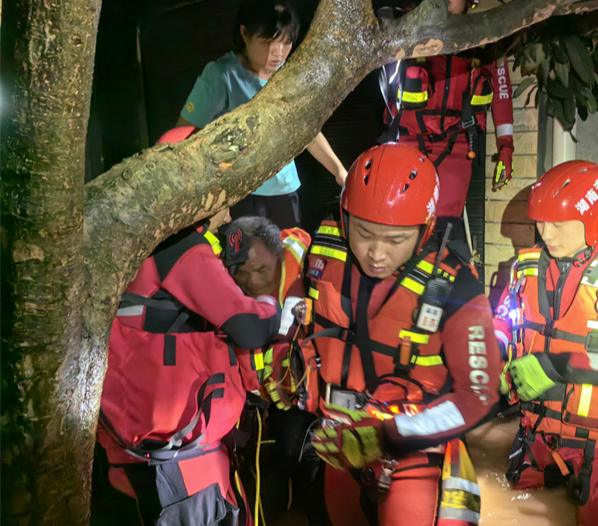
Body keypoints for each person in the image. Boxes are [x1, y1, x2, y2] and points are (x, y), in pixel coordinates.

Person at [292, 143, 500, 526]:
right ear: (344, 216)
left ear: (425, 231)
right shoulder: (322, 250)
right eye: (365, 233)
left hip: (413, 452)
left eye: (395, 240)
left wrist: (388, 435)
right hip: (337, 444)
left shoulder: (455, 286)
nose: (376, 254)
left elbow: (478, 394)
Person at [93, 130, 282, 526]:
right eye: (223, 199)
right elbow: (250, 329)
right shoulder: (180, 246)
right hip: (182, 465)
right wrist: (271, 299)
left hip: (132, 451)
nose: (227, 216)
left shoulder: (128, 237)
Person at [493, 161, 598, 526]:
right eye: (540, 222)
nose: (546, 233)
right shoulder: (523, 268)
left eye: (558, 224)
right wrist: (493, 360)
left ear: (594, 219)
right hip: (536, 435)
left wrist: (558, 365)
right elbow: (502, 324)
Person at [177, 0, 348, 227]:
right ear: (245, 34)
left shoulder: (287, 76)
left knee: (288, 257)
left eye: (286, 43)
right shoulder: (221, 76)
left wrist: (339, 171)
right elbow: (182, 133)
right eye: (267, 42)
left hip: (285, 192)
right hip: (239, 195)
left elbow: (306, 131)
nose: (277, 53)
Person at [377, 0, 514, 246]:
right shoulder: (407, 25)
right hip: (408, 141)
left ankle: (442, 281)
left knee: (446, 231)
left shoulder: (484, 31)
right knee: (403, 224)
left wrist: (506, 146)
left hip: (457, 144)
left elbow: (502, 91)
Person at [227, 216, 329, 526]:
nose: (253, 282)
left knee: (296, 452)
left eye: (261, 271)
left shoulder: (304, 271)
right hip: (251, 397)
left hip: (300, 398)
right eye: (241, 273)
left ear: (280, 260)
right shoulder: (221, 287)